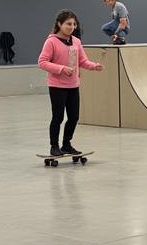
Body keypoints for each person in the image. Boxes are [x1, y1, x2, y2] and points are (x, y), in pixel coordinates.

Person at [37, 10, 103, 158]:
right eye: (68, 24)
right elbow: (42, 62)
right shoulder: (51, 41)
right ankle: (54, 146)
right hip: (57, 86)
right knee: (58, 117)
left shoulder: (76, 41)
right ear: (59, 24)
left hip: (73, 85)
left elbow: (82, 61)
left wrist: (93, 66)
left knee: (74, 117)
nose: (71, 26)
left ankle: (66, 144)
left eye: (74, 24)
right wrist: (61, 68)